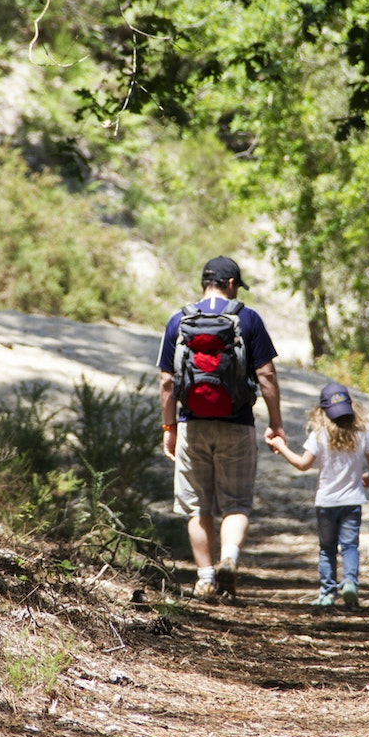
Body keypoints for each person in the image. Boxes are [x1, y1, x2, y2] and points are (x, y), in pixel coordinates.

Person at [156, 257, 282, 601]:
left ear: (205, 283)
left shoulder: (179, 319)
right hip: (237, 424)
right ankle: (229, 558)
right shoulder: (248, 318)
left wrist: (169, 427)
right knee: (237, 503)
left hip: (192, 423)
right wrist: (276, 422)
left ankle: (205, 577)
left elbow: (167, 381)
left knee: (198, 506)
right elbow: (267, 376)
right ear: (230, 284)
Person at [267, 382, 369, 608]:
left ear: (322, 412)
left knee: (327, 549)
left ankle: (327, 593)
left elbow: (302, 464)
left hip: (326, 503)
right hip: (353, 502)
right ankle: (350, 583)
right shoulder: (361, 434)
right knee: (349, 547)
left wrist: (281, 447)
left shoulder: (320, 435)